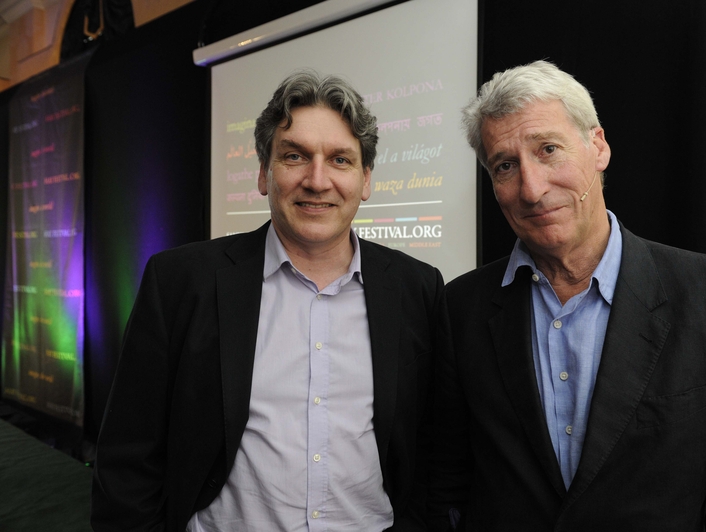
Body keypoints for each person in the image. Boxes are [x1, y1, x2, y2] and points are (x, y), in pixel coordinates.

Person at [426, 60, 706, 531]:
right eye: (505, 166)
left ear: (597, 146)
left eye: (548, 149)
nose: (532, 188)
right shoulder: (461, 308)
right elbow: (446, 489)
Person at [92, 70, 443, 532]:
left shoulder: (418, 289)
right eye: (295, 156)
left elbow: (434, 452)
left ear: (366, 179)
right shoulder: (179, 282)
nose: (317, 181)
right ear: (263, 173)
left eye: (340, 160)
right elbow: (127, 459)